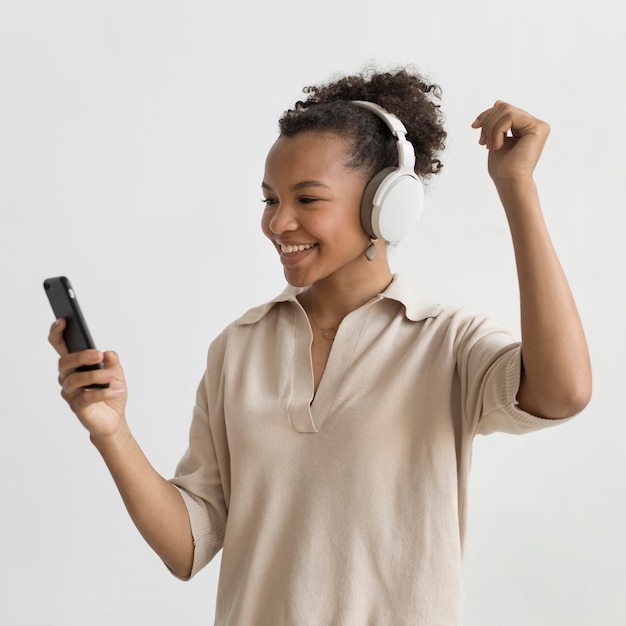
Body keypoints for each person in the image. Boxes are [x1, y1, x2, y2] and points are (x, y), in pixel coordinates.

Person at [48, 68, 592, 625]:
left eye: (307, 199)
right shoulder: (238, 348)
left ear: (386, 206)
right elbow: (187, 547)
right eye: (269, 200)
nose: (279, 223)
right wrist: (111, 429)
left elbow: (563, 392)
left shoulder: (448, 343)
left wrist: (516, 187)